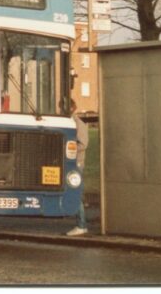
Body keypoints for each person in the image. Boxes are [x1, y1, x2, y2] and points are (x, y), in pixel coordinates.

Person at [66, 99, 90, 236]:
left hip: (77, 163)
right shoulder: (69, 122)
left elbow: (83, 144)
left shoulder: (79, 124)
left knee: (77, 192)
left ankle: (81, 225)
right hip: (70, 162)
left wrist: (69, 150)